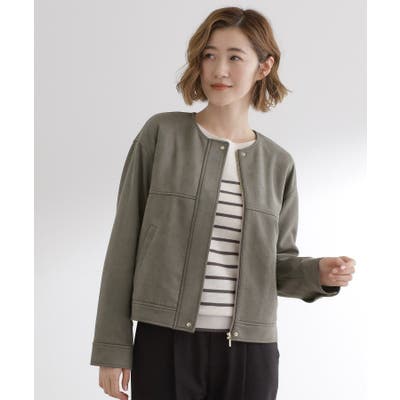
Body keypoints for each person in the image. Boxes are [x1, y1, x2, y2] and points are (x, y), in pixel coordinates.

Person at [90, 6, 356, 400]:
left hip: (250, 353)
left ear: (264, 67)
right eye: (209, 55)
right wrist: (112, 347)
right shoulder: (162, 135)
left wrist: (316, 273)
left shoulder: (278, 163)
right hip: (165, 344)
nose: (219, 70)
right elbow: (123, 244)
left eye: (235, 57)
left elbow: (276, 265)